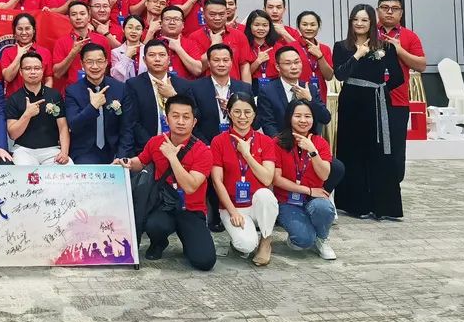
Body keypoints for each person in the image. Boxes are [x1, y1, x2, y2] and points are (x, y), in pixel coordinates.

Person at [115, 94, 216, 271]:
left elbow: (191, 186)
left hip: (191, 209)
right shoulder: (155, 142)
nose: (181, 121)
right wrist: (127, 163)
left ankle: (189, 242)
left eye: (186, 117)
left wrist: (172, 157)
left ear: (194, 122)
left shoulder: (203, 151)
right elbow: (141, 161)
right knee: (154, 225)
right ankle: (159, 243)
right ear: (167, 119)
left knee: (204, 262)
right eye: (175, 116)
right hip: (164, 206)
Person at [332, 4, 404, 219]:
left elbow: (398, 77)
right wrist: (357, 54)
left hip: (376, 102)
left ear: (372, 22)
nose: (359, 23)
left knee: (379, 151)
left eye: (364, 20)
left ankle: (383, 207)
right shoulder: (341, 46)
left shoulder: (385, 46)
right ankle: (356, 205)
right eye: (355, 19)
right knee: (352, 150)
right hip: (351, 102)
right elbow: (340, 75)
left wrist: (380, 89)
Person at [209, 92, 279, 265]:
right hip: (232, 206)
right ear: (229, 113)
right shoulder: (218, 141)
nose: (242, 117)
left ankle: (266, 240)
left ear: (254, 114)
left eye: (247, 112)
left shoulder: (265, 141)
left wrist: (247, 155)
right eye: (237, 111)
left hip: (256, 203)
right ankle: (243, 240)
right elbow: (217, 181)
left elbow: (267, 179)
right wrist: (233, 212)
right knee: (245, 245)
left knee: (266, 195)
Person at [273, 99, 339, 260]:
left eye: (307, 116)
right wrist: (308, 190)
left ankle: (322, 239)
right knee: (303, 240)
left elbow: (324, 175)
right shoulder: (277, 142)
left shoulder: (320, 143)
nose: (303, 120)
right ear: (289, 117)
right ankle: (304, 235)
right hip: (287, 200)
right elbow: (276, 179)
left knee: (324, 208)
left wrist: (313, 151)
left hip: (314, 200)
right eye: (298, 116)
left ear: (313, 119)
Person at [377, 0, 426, 183]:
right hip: (370, 101)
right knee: (372, 147)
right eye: (385, 8)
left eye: (394, 8)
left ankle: (393, 187)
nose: (389, 12)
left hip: (397, 102)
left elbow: (421, 65)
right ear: (378, 10)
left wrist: (399, 50)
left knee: (396, 148)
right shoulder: (369, 33)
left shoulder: (409, 36)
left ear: (401, 12)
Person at [64, 44, 133, 163]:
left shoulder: (121, 89)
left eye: (99, 61)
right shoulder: (72, 91)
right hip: (85, 151)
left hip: (114, 149)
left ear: (106, 63)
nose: (95, 66)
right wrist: (92, 107)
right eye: (89, 62)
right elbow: (74, 125)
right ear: (82, 64)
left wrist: (121, 156)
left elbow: (127, 128)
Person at [123, 40, 192, 155]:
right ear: (144, 60)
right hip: (147, 149)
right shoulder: (134, 85)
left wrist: (173, 96)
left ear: (168, 59)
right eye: (152, 55)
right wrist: (154, 146)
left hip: (180, 148)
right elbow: (133, 122)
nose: (157, 59)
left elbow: (193, 115)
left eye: (162, 55)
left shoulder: (183, 85)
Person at [5, 52, 71, 166]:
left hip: (52, 150)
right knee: (23, 171)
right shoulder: (14, 98)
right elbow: (13, 135)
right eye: (28, 68)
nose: (33, 72)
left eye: (37, 68)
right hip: (23, 150)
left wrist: (64, 152)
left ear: (42, 70)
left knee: (68, 168)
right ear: (21, 72)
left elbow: (63, 127)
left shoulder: (54, 95)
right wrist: (27, 115)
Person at [187, 44, 253, 145]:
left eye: (225, 60)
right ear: (209, 63)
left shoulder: (244, 88)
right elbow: (192, 122)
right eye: (216, 60)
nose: (221, 64)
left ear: (231, 62)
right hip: (206, 145)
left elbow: (255, 120)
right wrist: (206, 146)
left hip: (239, 144)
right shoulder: (195, 88)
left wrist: (233, 109)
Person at [256, 47, 331, 136]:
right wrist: (283, 143)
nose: (294, 67)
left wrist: (310, 100)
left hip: (308, 141)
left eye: (297, 62)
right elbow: (268, 125)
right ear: (277, 67)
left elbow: (325, 118)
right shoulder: (267, 91)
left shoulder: (311, 89)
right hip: (280, 141)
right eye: (288, 63)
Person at [187, 0, 252, 81]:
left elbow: (244, 66)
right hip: (205, 87)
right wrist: (214, 44)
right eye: (212, 14)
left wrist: (246, 88)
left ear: (226, 14)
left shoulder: (239, 36)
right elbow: (198, 69)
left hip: (233, 86)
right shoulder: (194, 37)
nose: (217, 18)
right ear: (203, 15)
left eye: (221, 14)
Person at [244, 9, 306, 95]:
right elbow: (242, 74)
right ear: (250, 26)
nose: (261, 28)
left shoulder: (277, 46)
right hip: (254, 86)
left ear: (270, 27)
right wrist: (257, 62)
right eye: (256, 25)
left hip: (276, 86)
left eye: (265, 25)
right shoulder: (245, 45)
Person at [53, 1, 111, 91]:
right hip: (73, 91)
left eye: (82, 13)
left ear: (89, 17)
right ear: (69, 18)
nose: (78, 17)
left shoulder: (102, 40)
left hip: (98, 89)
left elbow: (107, 69)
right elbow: (57, 74)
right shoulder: (61, 42)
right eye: (74, 14)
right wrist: (72, 53)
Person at [0, 13, 53, 96]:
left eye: (27, 28)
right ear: (15, 31)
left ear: (34, 30)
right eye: (20, 29)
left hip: (39, 99)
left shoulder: (45, 52)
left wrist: (44, 97)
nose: (24, 32)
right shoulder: (7, 52)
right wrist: (19, 55)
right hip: (14, 100)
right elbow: (8, 77)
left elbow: (48, 79)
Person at [146, 6, 203, 79]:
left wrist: (178, 49)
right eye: (167, 19)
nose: (172, 22)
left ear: (183, 25)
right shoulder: (153, 44)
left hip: (184, 85)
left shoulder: (191, 43)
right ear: (161, 23)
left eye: (176, 19)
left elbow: (197, 70)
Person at [296, 10, 335, 102]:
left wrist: (320, 56)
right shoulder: (291, 47)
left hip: (319, 96)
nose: (309, 28)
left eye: (313, 25)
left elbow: (329, 76)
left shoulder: (325, 49)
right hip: (298, 95)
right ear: (298, 27)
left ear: (318, 27)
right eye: (304, 24)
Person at [110, 15, 145, 82]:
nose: (133, 31)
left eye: (138, 28)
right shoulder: (115, 52)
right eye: (130, 27)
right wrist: (126, 57)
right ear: (123, 29)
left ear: (142, 31)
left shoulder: (147, 50)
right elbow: (116, 76)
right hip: (124, 87)